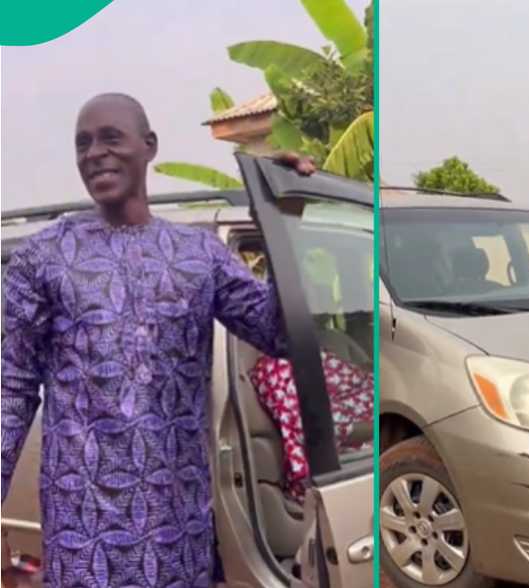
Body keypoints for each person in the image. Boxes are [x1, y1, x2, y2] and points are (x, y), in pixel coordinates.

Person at [1, 93, 314, 587]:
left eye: (110, 137)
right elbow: (11, 388)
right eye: (82, 143)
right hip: (83, 535)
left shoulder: (198, 254)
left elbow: (276, 332)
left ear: (149, 147)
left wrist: (286, 221)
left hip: (176, 529)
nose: (94, 153)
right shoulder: (44, 257)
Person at [250, 349, 374, 503]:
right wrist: (370, 428)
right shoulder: (276, 368)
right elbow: (312, 430)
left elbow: (353, 380)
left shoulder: (306, 350)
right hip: (330, 464)